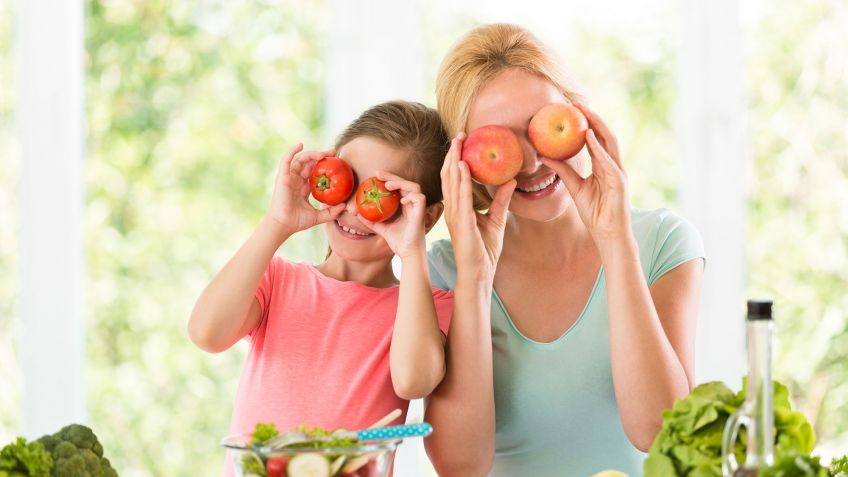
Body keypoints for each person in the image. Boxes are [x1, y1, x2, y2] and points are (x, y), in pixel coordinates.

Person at [424, 24, 706, 476]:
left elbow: (661, 432)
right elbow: (460, 466)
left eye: (543, 128)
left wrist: (615, 241)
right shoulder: (443, 270)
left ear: (583, 118)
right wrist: (475, 280)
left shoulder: (664, 243)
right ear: (463, 164)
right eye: (500, 142)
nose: (533, 164)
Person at [186, 101, 453, 476]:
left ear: (425, 216)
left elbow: (413, 381)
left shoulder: (425, 308)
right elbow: (206, 333)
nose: (355, 210)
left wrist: (412, 253)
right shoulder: (278, 280)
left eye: (380, 196)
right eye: (346, 181)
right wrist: (278, 222)